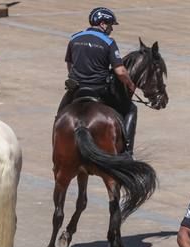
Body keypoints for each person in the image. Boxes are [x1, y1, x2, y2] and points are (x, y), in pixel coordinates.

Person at [57, 7, 139, 151]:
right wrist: (130, 84)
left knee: (60, 115)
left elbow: (69, 64)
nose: (111, 29)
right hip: (100, 89)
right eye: (110, 25)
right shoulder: (108, 42)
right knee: (131, 109)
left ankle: (57, 143)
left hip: (76, 89)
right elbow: (120, 71)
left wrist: (76, 77)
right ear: (102, 23)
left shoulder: (75, 38)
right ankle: (127, 150)